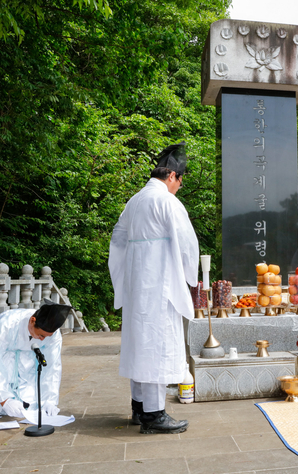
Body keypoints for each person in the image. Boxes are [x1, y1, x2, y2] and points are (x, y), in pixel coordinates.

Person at [108, 142, 199, 434]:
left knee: (139, 345)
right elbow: (187, 244)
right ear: (172, 176)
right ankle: (154, 415)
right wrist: (191, 278)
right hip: (160, 284)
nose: (178, 188)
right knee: (157, 346)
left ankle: (138, 407)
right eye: (179, 182)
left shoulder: (134, 201)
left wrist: (125, 277)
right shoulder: (166, 201)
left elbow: (118, 241)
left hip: (138, 285)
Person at [0, 301, 72, 419]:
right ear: (32, 320)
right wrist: (4, 400)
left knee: (31, 403)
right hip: (1, 353)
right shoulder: (7, 324)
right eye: (41, 335)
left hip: (27, 357)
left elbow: (53, 366)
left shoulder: (54, 334)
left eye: (47, 336)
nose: (42, 339)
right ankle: (1, 399)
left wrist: (50, 400)